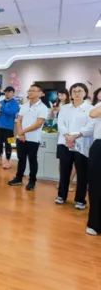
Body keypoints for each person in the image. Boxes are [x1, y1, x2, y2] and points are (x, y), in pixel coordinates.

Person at [56, 82, 91, 208]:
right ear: (70, 94)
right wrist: (68, 136)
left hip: (82, 144)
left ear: (85, 93)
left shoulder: (90, 108)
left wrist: (74, 136)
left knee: (82, 173)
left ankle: (80, 200)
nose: (76, 93)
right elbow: (60, 124)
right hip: (64, 143)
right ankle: (61, 195)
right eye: (74, 91)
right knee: (64, 171)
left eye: (80, 91)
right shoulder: (65, 108)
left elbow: (90, 127)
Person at [0, 85, 19, 170]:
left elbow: (12, 112)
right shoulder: (1, 102)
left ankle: (8, 160)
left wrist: (1, 108)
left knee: (9, 144)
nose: (7, 94)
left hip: (9, 128)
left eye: (9, 92)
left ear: (13, 93)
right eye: (6, 92)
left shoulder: (15, 103)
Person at [87, 93, 101, 235]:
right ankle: (94, 223)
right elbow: (92, 114)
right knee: (96, 185)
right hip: (99, 146)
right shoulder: (99, 105)